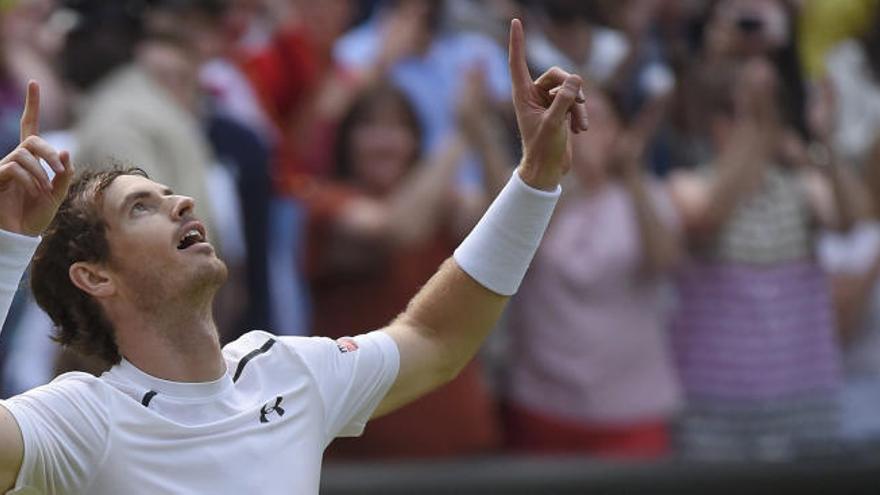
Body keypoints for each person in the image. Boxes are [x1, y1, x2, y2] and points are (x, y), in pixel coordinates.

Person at [0, 19, 588, 494]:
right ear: (95, 277)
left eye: (167, 193)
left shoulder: (286, 369)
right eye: (140, 209)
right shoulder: (80, 419)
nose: (180, 201)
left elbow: (437, 340)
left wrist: (535, 180)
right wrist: (8, 241)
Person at [503, 89, 682, 458]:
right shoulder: (531, 192)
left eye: (597, 119)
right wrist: (568, 176)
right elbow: (513, 257)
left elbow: (665, 261)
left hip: (631, 410)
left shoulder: (645, 194)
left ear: (618, 132)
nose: (584, 130)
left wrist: (630, 173)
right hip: (543, 404)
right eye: (570, 120)